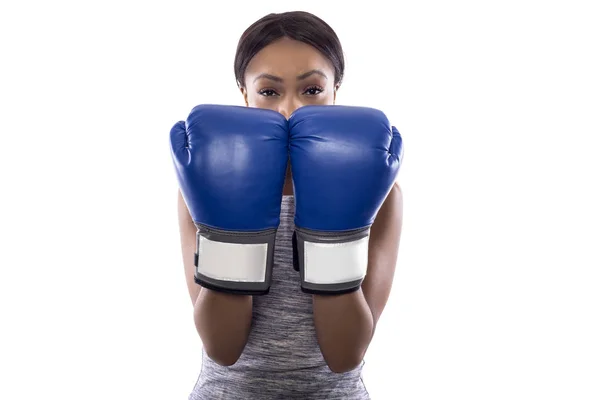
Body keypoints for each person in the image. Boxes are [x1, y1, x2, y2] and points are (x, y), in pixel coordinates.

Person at [173, 11, 404, 400]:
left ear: (335, 92)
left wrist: (333, 235)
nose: (290, 109)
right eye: (269, 91)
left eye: (311, 90)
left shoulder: (380, 192)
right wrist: (234, 229)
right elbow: (223, 348)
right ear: (244, 95)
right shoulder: (203, 182)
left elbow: (344, 354)